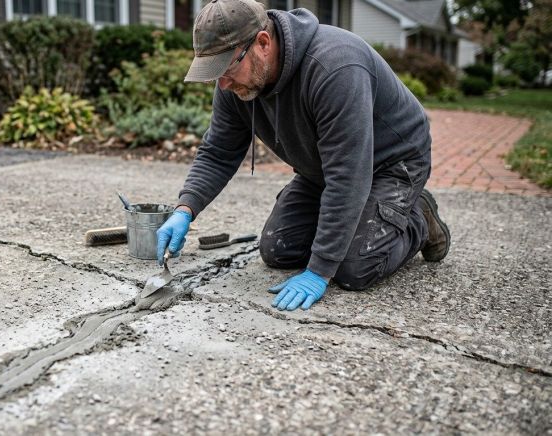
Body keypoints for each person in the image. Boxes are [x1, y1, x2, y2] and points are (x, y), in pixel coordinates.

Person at [155, 0, 451, 311]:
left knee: (353, 268)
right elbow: (219, 151)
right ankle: (365, 219)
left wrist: (319, 270)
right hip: (324, 168)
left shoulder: (335, 67)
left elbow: (348, 175)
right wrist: (185, 209)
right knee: (278, 250)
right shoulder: (235, 83)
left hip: (392, 163)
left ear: (263, 43)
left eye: (226, 67)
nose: (223, 83)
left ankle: (418, 216)